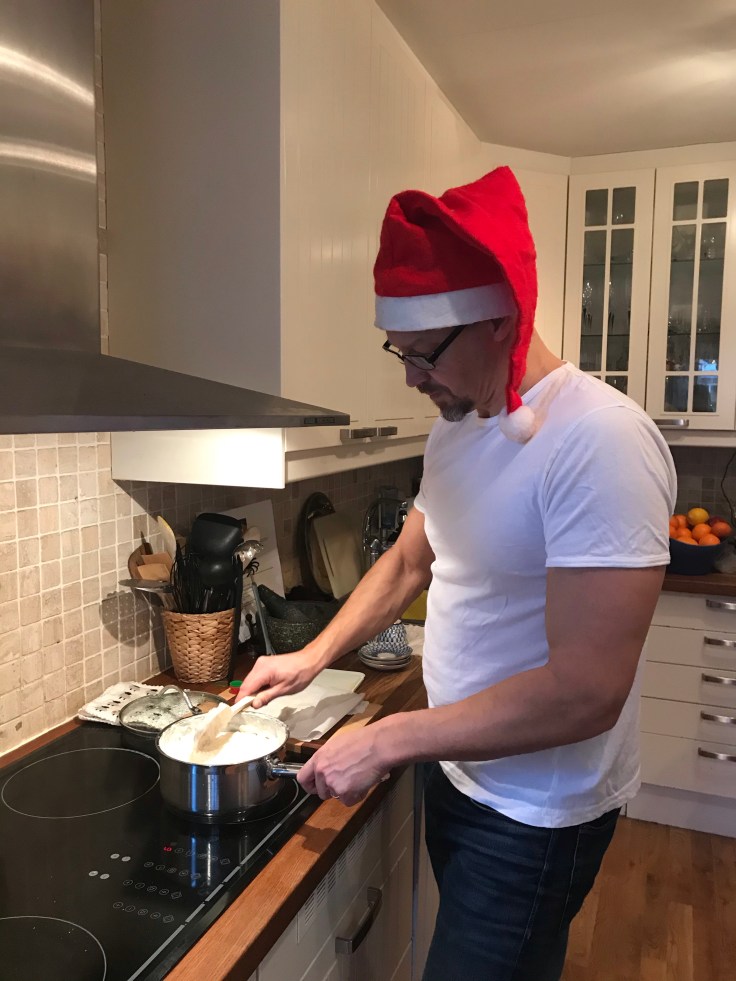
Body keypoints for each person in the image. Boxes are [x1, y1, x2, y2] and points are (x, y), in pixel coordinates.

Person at [237, 167, 676, 981]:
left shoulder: (601, 442)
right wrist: (312, 656)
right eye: (398, 350)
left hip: (535, 813)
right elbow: (412, 558)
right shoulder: (458, 428)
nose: (409, 376)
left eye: (422, 353)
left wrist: (387, 739)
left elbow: (587, 691)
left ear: (501, 319)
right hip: (461, 771)